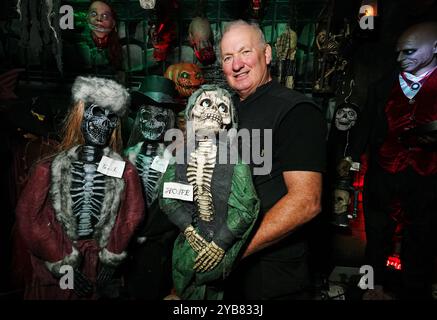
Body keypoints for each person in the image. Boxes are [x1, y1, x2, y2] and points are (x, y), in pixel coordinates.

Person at [219, 20, 326, 300]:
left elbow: (306, 202)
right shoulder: (224, 111)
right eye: (228, 57)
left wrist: (234, 250)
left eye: (245, 52)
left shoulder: (295, 110)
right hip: (226, 275)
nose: (236, 64)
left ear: (266, 54)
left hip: (272, 277)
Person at [15, 76, 145, 299]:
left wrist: (112, 256)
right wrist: (60, 260)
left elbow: (131, 215)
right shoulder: (47, 169)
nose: (103, 123)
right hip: (58, 255)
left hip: (100, 263)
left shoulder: (126, 172)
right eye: (96, 113)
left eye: (111, 117)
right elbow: (29, 218)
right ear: (80, 113)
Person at [348, 21, 437, 300]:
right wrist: (351, 156)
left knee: (421, 240)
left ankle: (414, 293)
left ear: (435, 48)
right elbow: (364, 125)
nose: (401, 59)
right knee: (375, 239)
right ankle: (367, 288)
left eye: (409, 52)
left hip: (426, 177)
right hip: (383, 174)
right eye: (398, 53)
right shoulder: (382, 85)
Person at [159, 85, 259, 300]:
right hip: (187, 248)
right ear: (192, 112)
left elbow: (246, 209)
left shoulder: (236, 165)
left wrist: (220, 243)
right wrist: (188, 229)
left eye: (222, 107)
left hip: (220, 254)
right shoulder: (180, 158)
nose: (213, 109)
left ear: (228, 120)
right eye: (204, 103)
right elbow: (167, 198)